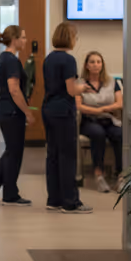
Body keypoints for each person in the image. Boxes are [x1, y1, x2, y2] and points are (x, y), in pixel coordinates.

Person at [0, 25, 34, 206]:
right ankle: (4, 191)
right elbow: (14, 89)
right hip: (12, 111)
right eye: (23, 37)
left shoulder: (3, 58)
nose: (26, 41)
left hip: (4, 109)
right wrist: (27, 111)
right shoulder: (11, 60)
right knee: (14, 151)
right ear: (15, 39)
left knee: (12, 151)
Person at [42, 22, 93, 214]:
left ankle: (54, 199)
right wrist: (84, 87)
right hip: (63, 111)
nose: (76, 39)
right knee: (68, 156)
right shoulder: (68, 60)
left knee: (53, 155)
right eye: (75, 36)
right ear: (69, 37)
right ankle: (70, 202)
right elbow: (71, 90)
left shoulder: (49, 58)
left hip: (48, 109)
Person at [76, 51, 123, 193]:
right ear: (86, 65)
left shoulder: (112, 82)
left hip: (108, 119)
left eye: (99, 62)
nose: (96, 65)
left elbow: (120, 103)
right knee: (98, 133)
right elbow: (78, 106)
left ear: (102, 65)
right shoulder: (80, 84)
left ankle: (120, 176)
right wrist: (96, 111)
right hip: (88, 121)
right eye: (92, 62)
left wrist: (103, 109)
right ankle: (99, 174)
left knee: (119, 134)